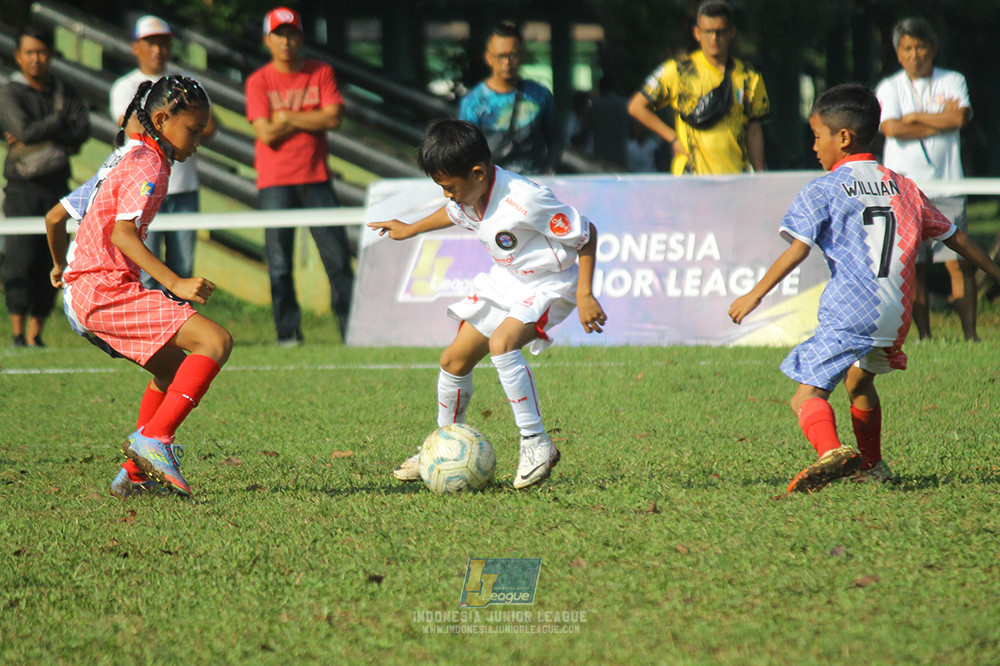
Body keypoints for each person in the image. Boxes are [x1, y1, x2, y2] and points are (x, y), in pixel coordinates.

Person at [728, 84, 1000, 494]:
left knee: (805, 398)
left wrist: (756, 294)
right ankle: (873, 465)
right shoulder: (904, 187)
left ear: (842, 137)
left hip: (851, 310)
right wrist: (995, 272)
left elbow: (798, 250)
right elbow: (955, 236)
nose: (814, 146)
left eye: (817, 136)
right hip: (896, 314)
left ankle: (831, 450)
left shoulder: (823, 188)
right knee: (859, 383)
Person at [368, 119, 607, 489]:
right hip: (507, 281)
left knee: (502, 343)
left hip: (550, 283)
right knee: (453, 360)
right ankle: (443, 447)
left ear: (478, 173)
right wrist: (411, 227)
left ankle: (536, 442)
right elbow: (451, 213)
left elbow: (587, 234)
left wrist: (585, 293)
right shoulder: (468, 195)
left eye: (450, 187)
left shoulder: (524, 199)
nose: (448, 195)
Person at [45, 75, 232, 498]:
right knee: (215, 341)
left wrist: (60, 265)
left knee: (170, 369)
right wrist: (175, 282)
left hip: (83, 291)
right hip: (102, 289)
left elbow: (55, 218)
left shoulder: (121, 158)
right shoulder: (148, 163)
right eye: (194, 129)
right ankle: (155, 440)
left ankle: (135, 473)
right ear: (162, 119)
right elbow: (122, 235)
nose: (199, 141)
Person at [245, 7, 355, 345]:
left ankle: (351, 331)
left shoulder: (321, 72)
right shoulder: (258, 81)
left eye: (292, 33)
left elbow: (333, 118)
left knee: (337, 259)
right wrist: (310, 116)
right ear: (267, 40)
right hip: (275, 182)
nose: (286, 41)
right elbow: (265, 133)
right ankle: (288, 334)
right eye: (279, 34)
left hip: (317, 178)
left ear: (301, 37)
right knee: (279, 264)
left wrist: (288, 117)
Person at [875, 17, 976, 341]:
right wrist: (940, 121)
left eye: (920, 46)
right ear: (898, 52)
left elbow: (959, 117)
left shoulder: (953, 80)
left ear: (933, 48)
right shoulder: (889, 87)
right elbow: (890, 128)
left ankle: (971, 336)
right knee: (912, 267)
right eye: (907, 48)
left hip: (949, 186)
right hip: (904, 190)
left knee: (958, 262)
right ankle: (924, 336)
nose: (914, 54)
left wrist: (915, 117)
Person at [109, 15, 217, 296]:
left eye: (163, 43)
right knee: (146, 269)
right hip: (143, 190)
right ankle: (151, 331)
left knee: (183, 266)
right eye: (151, 43)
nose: (158, 50)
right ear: (136, 47)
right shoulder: (125, 87)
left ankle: (179, 329)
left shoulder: (188, 84)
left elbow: (210, 126)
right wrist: (175, 133)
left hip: (183, 188)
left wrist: (180, 134)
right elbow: (130, 126)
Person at [0, 25, 90, 347]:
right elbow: (21, 128)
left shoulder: (64, 90)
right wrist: (57, 123)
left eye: (41, 52)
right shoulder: (10, 92)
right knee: (19, 258)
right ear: (18, 56)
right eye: (29, 53)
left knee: (51, 260)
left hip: (56, 188)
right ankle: (16, 332)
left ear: (51, 54)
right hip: (22, 188)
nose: (36, 59)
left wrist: (39, 132)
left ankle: (37, 333)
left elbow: (82, 130)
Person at [627, 0, 768, 175]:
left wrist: (761, 176)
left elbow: (754, 131)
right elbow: (636, 107)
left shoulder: (749, 77)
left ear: (731, 32)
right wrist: (673, 139)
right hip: (691, 178)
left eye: (720, 32)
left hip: (735, 179)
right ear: (697, 33)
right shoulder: (678, 71)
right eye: (708, 32)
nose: (714, 38)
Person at [458, 22, 560, 175]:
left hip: (533, 182)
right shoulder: (473, 101)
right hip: (493, 184)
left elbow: (555, 140)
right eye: (501, 56)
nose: (507, 62)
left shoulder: (541, 95)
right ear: (488, 58)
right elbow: (466, 150)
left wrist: (549, 168)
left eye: (512, 55)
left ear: (522, 55)